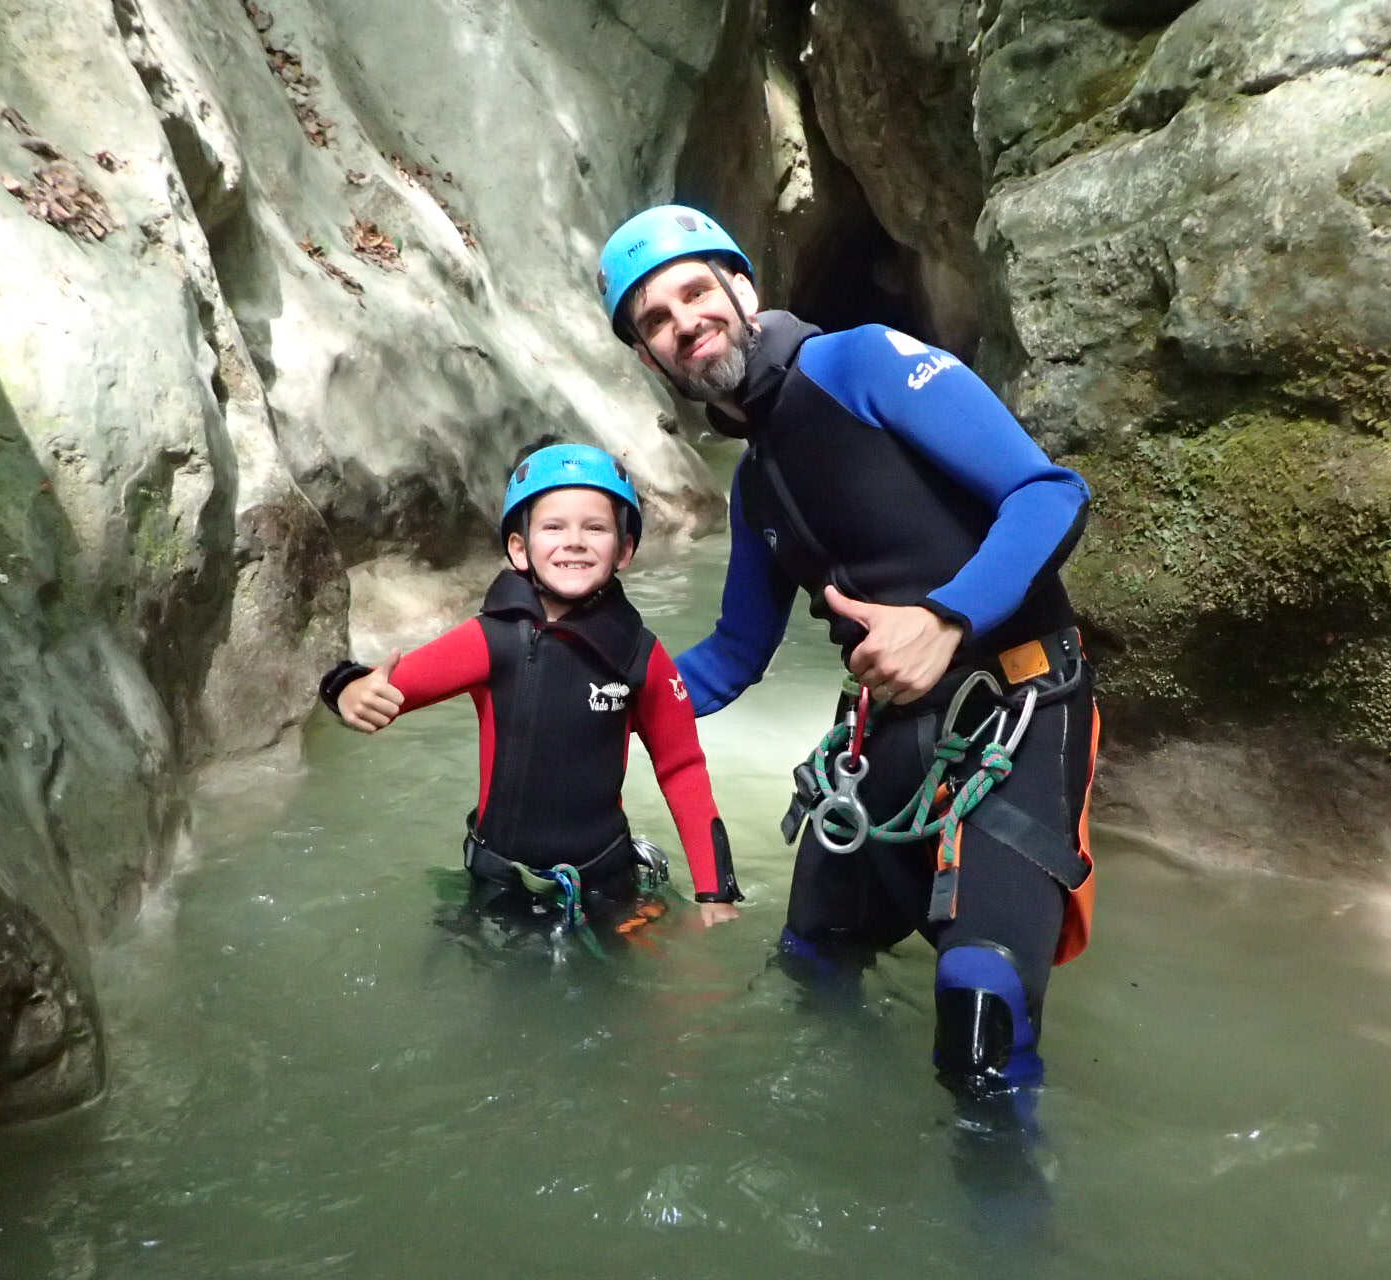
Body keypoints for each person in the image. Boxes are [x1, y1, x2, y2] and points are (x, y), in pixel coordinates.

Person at [595, 205, 1098, 1097]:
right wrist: (600, 696)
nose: (684, 324)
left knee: (980, 1006)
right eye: (657, 322)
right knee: (809, 970)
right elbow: (736, 652)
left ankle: (1003, 1228)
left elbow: (1048, 493)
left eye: (694, 294)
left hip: (1018, 711)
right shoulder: (754, 486)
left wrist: (944, 618)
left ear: (741, 288)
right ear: (649, 357)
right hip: (883, 737)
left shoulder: (861, 362)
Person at [317, 441, 744, 931]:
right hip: (501, 885)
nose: (575, 541)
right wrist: (346, 689)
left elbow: (682, 767)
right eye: (553, 527)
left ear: (625, 550)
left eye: (596, 527)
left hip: (604, 886)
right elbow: (389, 686)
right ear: (519, 549)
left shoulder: (641, 655)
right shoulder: (490, 638)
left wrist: (715, 891)